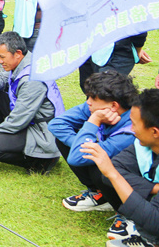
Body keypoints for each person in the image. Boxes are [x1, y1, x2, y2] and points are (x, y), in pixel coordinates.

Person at [80, 89, 159, 247]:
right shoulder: (147, 144)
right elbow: (116, 168)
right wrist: (155, 188)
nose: (131, 129)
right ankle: (152, 242)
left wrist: (113, 174)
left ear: (154, 132)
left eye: (134, 124)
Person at [48, 71, 139, 241]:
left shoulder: (132, 129)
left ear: (114, 106)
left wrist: (94, 120)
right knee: (66, 140)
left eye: (92, 98)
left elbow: (76, 157)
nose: (87, 102)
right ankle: (101, 196)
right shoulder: (95, 107)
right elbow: (56, 124)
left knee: (101, 168)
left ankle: (130, 214)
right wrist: (83, 140)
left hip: (143, 182)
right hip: (114, 160)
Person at [0, 31, 65, 174]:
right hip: (29, 119)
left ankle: (41, 161)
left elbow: (18, 121)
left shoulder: (32, 80)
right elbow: (3, 75)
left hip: (41, 131)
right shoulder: (25, 60)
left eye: (2, 57)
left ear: (17, 53)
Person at [79, 33, 150, 93]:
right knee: (96, 92)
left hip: (93, 43)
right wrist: (137, 50)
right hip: (93, 45)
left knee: (102, 92)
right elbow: (139, 29)